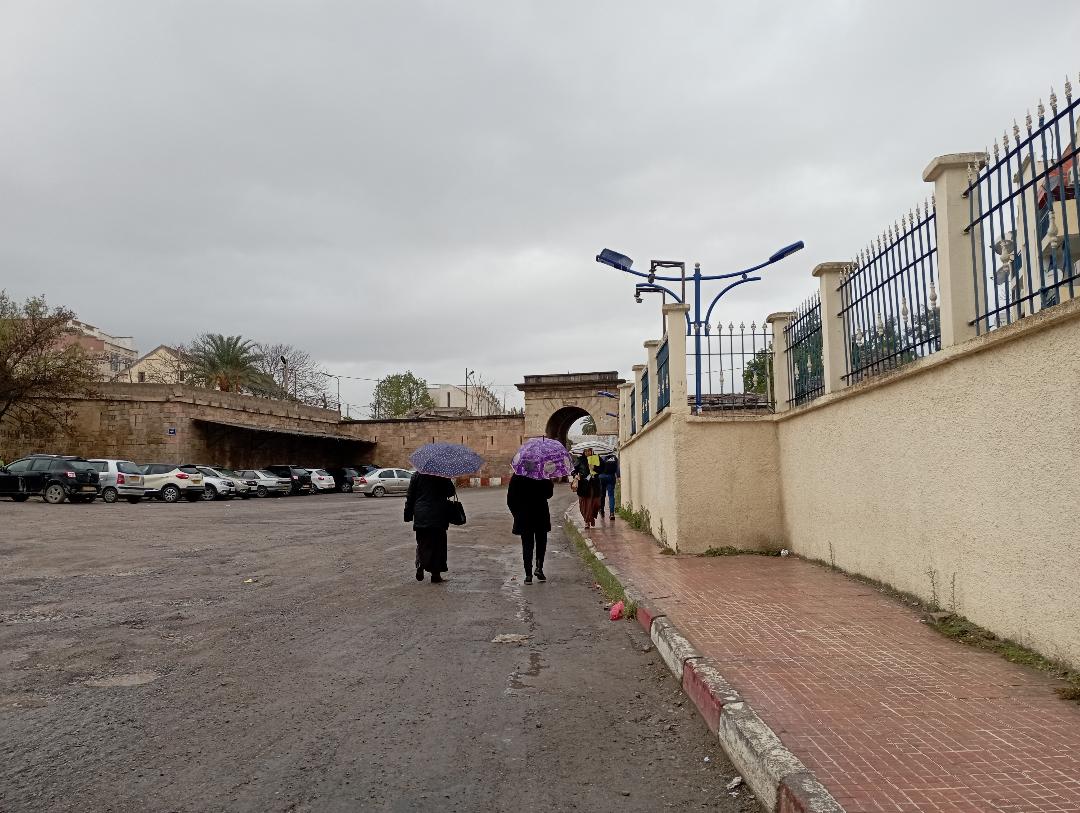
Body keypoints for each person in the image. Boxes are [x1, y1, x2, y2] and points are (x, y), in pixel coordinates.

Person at [404, 472, 457, 583]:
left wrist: (408, 514)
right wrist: (448, 479)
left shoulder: (416, 476)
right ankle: (436, 575)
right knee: (438, 546)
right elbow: (451, 492)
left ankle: (421, 563)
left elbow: (410, 496)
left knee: (423, 543)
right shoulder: (442, 475)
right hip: (438, 515)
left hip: (421, 515)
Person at [507, 471, 554, 585]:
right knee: (541, 542)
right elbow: (549, 494)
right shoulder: (542, 473)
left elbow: (510, 499)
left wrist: (516, 514)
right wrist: (549, 480)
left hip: (524, 515)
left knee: (527, 544)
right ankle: (539, 568)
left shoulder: (518, 475)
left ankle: (528, 575)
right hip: (540, 514)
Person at [574, 447, 602, 528]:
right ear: (583, 451)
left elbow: (603, 469)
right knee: (585, 504)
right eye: (585, 451)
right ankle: (587, 521)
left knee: (596, 503)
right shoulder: (580, 459)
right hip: (583, 485)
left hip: (594, 484)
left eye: (589, 451)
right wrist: (575, 475)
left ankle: (590, 517)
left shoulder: (597, 458)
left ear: (592, 451)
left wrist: (594, 467)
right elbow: (573, 470)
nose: (587, 452)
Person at [598, 452, 620, 522]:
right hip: (611, 477)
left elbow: (597, 468)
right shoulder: (614, 458)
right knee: (611, 495)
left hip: (601, 477)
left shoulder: (601, 457)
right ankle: (612, 513)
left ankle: (601, 510)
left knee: (602, 495)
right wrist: (618, 476)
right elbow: (617, 468)